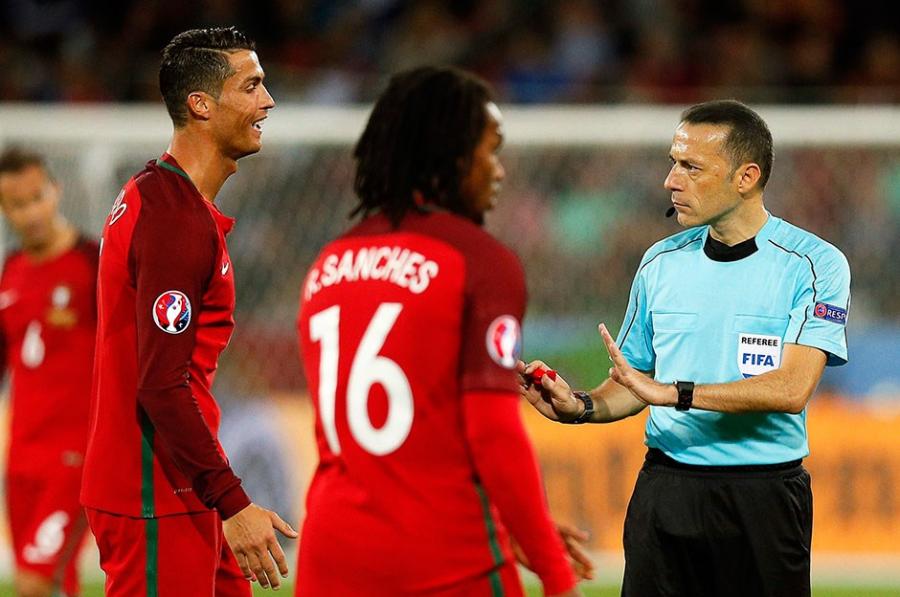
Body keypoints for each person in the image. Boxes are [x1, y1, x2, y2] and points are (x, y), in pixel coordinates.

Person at [521, 99, 850, 597]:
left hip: (762, 499)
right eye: (673, 163)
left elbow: (791, 388)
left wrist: (675, 393)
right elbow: (635, 383)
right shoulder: (660, 262)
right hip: (665, 492)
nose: (670, 181)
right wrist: (581, 406)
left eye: (691, 167)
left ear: (746, 177)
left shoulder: (815, 264)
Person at [296, 66, 592, 597]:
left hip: (330, 558)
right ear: (453, 156)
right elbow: (493, 434)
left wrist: (513, 530)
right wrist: (555, 572)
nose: (499, 170)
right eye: (491, 151)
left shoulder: (329, 263)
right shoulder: (479, 261)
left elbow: (405, 438)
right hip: (444, 561)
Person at [80, 26, 297, 596]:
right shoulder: (174, 222)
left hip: (180, 480)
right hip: (154, 491)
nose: (267, 101)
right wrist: (233, 501)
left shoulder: (161, 196)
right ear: (201, 104)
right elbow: (161, 384)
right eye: (251, 86)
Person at [0, 149, 97, 597]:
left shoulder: (92, 263)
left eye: (37, 197)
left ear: (55, 191)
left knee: (34, 582)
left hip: (73, 458)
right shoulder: (10, 272)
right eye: (17, 204)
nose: (31, 212)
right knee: (56, 583)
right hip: (22, 459)